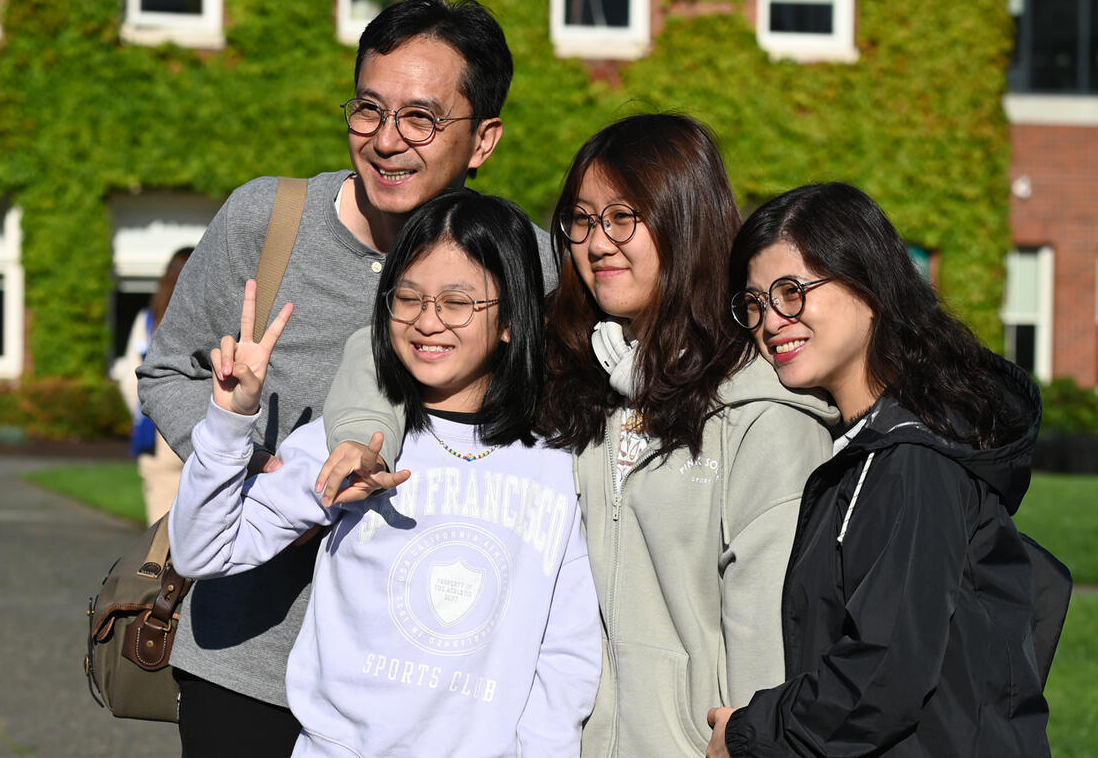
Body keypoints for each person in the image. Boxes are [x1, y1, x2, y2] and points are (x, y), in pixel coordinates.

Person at [318, 113, 840, 755]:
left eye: (624, 217)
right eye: (583, 220)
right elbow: (398, 341)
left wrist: (756, 744)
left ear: (686, 220)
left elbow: (772, 630)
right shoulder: (571, 370)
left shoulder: (763, 415)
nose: (597, 243)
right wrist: (366, 430)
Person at [135, 0, 558, 755]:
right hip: (248, 654)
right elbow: (168, 367)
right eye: (368, 109)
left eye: (421, 118)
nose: (387, 141)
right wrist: (247, 466)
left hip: (417, 682)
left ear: (483, 138)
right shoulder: (266, 219)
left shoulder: (525, 264)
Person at [169, 189, 601, 756]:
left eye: (457, 302)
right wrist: (230, 422)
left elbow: (565, 651)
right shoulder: (352, 444)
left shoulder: (556, 462)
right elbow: (204, 551)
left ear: (511, 322)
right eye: (409, 297)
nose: (427, 322)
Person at [707, 182, 1049, 756]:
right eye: (755, 303)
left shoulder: (912, 459)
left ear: (869, 285)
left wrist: (748, 733)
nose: (771, 321)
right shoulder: (862, 447)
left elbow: (886, 670)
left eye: (792, 292)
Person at [118, 247, 193, 525]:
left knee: (159, 539)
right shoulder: (211, 321)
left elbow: (130, 382)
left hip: (158, 435)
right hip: (201, 435)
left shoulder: (148, 322)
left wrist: (144, 418)